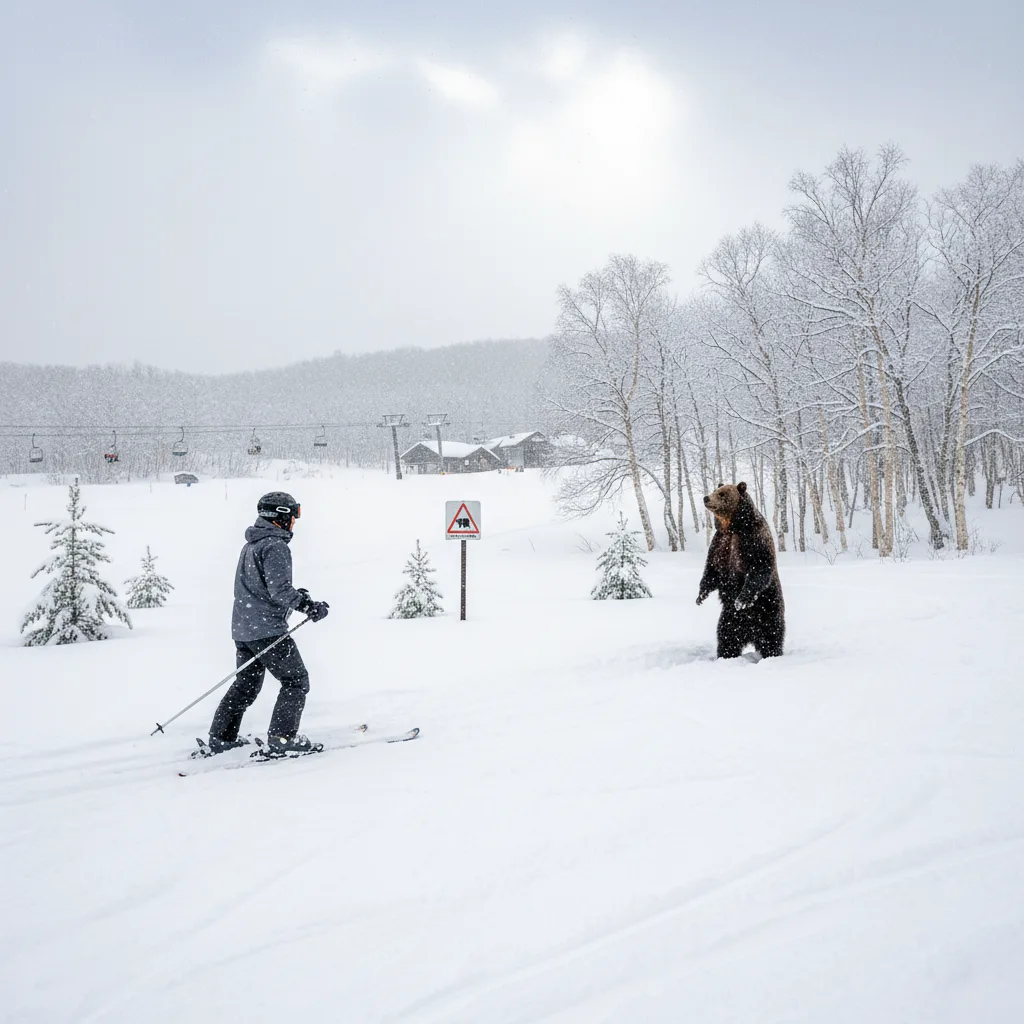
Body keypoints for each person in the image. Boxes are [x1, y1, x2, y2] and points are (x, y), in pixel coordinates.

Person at [207, 491, 329, 754]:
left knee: (246, 684)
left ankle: (221, 738)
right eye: (294, 515)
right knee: (296, 681)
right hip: (267, 631)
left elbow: (260, 588)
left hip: (243, 629)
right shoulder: (275, 546)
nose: (295, 522)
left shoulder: (251, 544)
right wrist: (309, 607)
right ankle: (282, 740)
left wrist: (298, 598)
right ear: (281, 517)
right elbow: (279, 591)